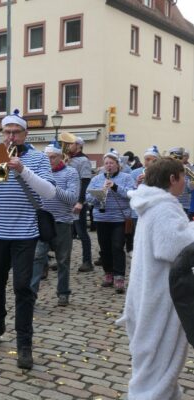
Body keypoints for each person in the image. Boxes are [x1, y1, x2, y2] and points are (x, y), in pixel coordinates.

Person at [0, 110, 56, 370]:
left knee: (22, 287)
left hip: (25, 233)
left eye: (16, 132)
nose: (11, 136)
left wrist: (23, 170)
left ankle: (25, 344)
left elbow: (49, 192)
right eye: (7, 132)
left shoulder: (37, 159)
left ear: (25, 134)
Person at [116, 157, 194, 399]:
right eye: (184, 178)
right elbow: (174, 246)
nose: (186, 183)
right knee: (157, 363)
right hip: (160, 296)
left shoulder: (152, 202)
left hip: (149, 291)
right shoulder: (163, 206)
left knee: (157, 364)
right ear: (173, 179)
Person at [31, 144, 79, 306]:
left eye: (53, 157)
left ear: (60, 157)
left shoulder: (70, 173)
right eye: (47, 157)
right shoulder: (39, 173)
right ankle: (31, 295)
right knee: (37, 258)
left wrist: (52, 187)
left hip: (62, 222)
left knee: (63, 260)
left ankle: (63, 292)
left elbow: (72, 198)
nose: (49, 160)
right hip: (42, 222)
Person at [86, 149, 134, 294]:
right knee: (105, 248)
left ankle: (119, 277)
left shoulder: (126, 177)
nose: (108, 166)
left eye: (111, 163)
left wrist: (115, 187)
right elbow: (88, 197)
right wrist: (99, 195)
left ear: (118, 165)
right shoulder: (96, 179)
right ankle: (109, 273)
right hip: (101, 218)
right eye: (106, 163)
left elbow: (131, 194)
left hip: (119, 218)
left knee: (117, 247)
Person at [66, 136, 93, 272]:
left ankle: (87, 261)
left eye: (71, 144)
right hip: (66, 201)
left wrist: (81, 201)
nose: (68, 146)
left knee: (82, 233)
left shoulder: (84, 160)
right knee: (65, 234)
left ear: (78, 145)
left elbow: (85, 182)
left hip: (78, 202)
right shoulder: (67, 159)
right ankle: (63, 260)